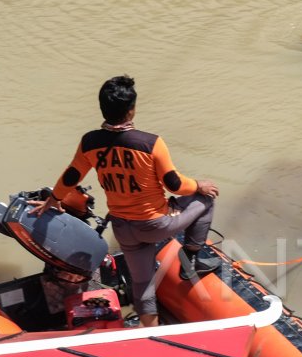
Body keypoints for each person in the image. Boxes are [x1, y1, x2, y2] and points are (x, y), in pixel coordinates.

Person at [32, 75, 221, 327]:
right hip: (156, 223)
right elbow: (174, 184)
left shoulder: (90, 142)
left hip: (123, 229)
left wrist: (52, 200)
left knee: (143, 285)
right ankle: (191, 261)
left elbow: (72, 175)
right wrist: (199, 185)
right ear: (131, 110)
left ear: (102, 108)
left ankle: (150, 335)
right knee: (205, 199)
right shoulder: (151, 143)